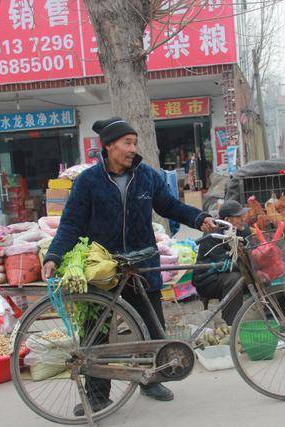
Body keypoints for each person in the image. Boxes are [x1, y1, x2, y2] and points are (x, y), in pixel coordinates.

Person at [42, 117, 216, 414]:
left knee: (151, 327)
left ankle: (150, 380)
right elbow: (71, 223)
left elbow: (169, 206)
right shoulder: (89, 181)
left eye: (135, 143)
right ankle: (97, 396)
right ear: (109, 146)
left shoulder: (147, 176)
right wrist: (54, 256)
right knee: (96, 333)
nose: (133, 149)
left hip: (142, 263)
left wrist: (198, 219)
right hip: (104, 266)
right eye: (127, 143)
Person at [193, 200, 251, 325]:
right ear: (227, 220)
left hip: (230, 270)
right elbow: (222, 264)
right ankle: (231, 325)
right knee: (235, 279)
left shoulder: (243, 230)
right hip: (208, 279)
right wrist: (245, 263)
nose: (242, 219)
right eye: (238, 217)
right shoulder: (212, 235)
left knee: (261, 275)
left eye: (242, 215)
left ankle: (271, 313)